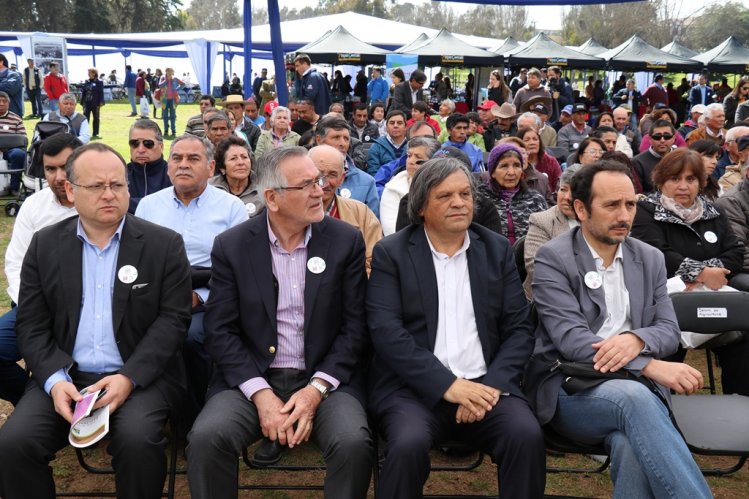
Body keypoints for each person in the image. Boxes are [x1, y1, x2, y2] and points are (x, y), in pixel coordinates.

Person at [0, 142, 193, 499]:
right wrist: (55, 381)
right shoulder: (45, 245)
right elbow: (31, 323)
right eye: (97, 186)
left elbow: (173, 321)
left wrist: (128, 378)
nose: (109, 194)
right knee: (13, 445)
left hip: (139, 378)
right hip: (67, 378)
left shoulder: (163, 245)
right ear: (71, 191)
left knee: (138, 442)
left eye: (117, 185)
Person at [186, 145, 373, 498]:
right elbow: (220, 330)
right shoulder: (233, 246)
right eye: (306, 185)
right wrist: (260, 394)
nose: (320, 190)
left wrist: (316, 390)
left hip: (326, 379)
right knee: (208, 438)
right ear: (271, 198)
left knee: (353, 443)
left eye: (319, 180)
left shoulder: (345, 241)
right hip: (251, 378)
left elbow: (355, 327)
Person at [526, 159, 713, 499]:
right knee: (635, 399)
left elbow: (669, 329)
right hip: (571, 387)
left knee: (630, 443)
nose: (625, 216)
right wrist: (648, 363)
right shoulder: (554, 258)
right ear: (581, 209)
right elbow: (572, 342)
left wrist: (635, 338)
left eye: (630, 204)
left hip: (636, 394)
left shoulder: (650, 257)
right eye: (612, 205)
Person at [368, 157, 545, 499]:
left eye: (465, 194)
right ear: (421, 207)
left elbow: (519, 328)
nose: (459, 203)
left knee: (525, 435)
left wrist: (491, 386)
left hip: (487, 387)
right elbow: (387, 332)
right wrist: (448, 386)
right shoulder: (393, 253)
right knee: (407, 444)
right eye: (445, 196)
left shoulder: (495, 249)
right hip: (413, 391)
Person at [135, 135, 247, 417]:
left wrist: (200, 296)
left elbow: (239, 269)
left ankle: (195, 419)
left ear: (211, 168)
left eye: (193, 159)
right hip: (154, 298)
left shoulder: (231, 207)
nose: (183, 165)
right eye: (177, 158)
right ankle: (144, 410)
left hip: (208, 299)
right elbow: (138, 261)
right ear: (169, 166)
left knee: (191, 338)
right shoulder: (148, 206)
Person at [631, 149, 749, 393]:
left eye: (691, 179)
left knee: (743, 341)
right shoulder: (645, 211)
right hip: (664, 303)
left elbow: (735, 252)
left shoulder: (713, 211)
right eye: (675, 178)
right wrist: (700, 273)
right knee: (664, 345)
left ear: (701, 182)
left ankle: (738, 408)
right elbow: (656, 254)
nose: (683, 186)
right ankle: (664, 408)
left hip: (714, 297)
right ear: (661, 180)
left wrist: (711, 275)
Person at [0, 133, 81, 406]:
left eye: (65, 166)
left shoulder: (100, 202)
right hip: (38, 306)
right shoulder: (35, 206)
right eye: (50, 169)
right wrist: (35, 306)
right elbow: (16, 262)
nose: (59, 176)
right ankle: (38, 405)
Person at [309, 144, 382, 273]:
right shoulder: (291, 213)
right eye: (318, 174)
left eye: (332, 175)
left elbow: (375, 263)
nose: (324, 183)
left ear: (341, 179)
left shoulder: (361, 213)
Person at [523, 165, 579, 299]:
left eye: (575, 191)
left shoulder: (596, 220)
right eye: (563, 190)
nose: (567, 197)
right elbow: (536, 267)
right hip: (548, 297)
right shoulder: (542, 221)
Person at [478, 143, 547, 245]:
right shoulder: (479, 199)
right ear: (492, 172)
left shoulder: (535, 199)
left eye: (516, 165)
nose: (511, 172)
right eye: (504, 166)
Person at [380, 136, 441, 236]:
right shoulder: (393, 189)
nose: (410, 161)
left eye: (418, 157)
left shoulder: (444, 186)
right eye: (409, 156)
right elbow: (392, 231)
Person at [209, 135, 263, 217]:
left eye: (244, 157)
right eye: (233, 159)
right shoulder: (210, 189)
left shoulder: (264, 187)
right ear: (222, 168)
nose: (241, 162)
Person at [126, 119, 171, 214]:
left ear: (161, 147)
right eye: (135, 143)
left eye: (148, 144)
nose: (141, 149)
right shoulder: (119, 174)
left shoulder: (172, 174)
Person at [632, 119, 677, 193]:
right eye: (657, 137)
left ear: (674, 138)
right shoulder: (637, 162)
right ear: (650, 139)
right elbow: (638, 193)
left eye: (667, 136)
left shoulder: (682, 158)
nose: (662, 140)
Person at [518, 126, 562, 195]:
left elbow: (559, 187)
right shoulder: (517, 163)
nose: (532, 143)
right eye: (527, 140)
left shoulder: (551, 161)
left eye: (535, 139)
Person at [0, 91, 26, 195]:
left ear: (8, 104)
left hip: (10, 150)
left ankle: (14, 187)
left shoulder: (16, 119)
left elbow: (23, 138)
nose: (1, 103)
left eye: (4, 101)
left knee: (19, 154)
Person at [367, 110, 407, 176]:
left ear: (405, 127)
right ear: (386, 127)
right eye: (392, 123)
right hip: (383, 184)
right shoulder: (376, 147)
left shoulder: (412, 145)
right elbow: (373, 172)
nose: (395, 126)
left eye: (399, 123)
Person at [158, 67, 183, 138]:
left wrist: (176, 89)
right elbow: (160, 85)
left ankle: (173, 131)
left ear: (172, 72)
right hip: (164, 100)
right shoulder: (163, 78)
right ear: (165, 72)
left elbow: (183, 84)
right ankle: (166, 131)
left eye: (171, 71)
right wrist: (166, 80)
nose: (169, 73)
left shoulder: (175, 79)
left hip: (173, 100)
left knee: (173, 116)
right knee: (165, 116)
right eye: (168, 71)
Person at [80, 68, 105, 140]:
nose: (88, 74)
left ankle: (95, 133)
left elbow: (101, 92)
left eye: (89, 72)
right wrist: (82, 102)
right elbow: (84, 92)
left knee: (96, 117)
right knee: (85, 118)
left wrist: (101, 101)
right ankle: (85, 132)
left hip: (95, 102)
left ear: (94, 73)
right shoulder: (87, 81)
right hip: (87, 102)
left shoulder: (99, 82)